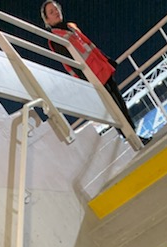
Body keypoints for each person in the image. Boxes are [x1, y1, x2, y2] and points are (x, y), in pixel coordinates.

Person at [40, 1, 146, 143]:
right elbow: (72, 63)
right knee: (114, 109)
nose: (56, 12)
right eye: (51, 12)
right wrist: (88, 81)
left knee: (120, 103)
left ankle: (134, 136)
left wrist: (106, 60)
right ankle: (131, 139)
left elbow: (89, 46)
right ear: (47, 20)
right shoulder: (55, 39)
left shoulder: (71, 26)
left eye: (56, 9)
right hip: (93, 77)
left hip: (101, 68)